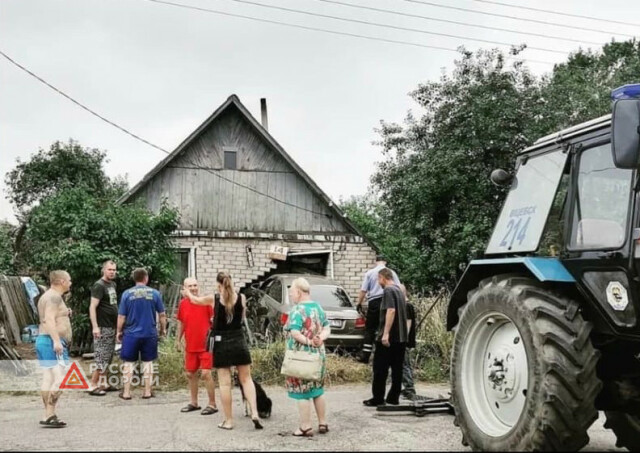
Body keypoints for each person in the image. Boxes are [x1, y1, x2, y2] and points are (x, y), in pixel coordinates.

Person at [184, 272, 263, 430]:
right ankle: (254, 412)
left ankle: (228, 420)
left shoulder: (214, 299)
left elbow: (195, 300)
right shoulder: (241, 298)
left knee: (225, 384)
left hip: (222, 343)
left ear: (218, 285)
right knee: (246, 379)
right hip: (239, 340)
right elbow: (241, 319)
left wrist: (187, 292)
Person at [283, 277, 331, 438]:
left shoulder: (297, 310)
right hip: (318, 356)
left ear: (298, 292)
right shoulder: (318, 307)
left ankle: (305, 426)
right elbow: (327, 327)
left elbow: (295, 333)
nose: (291, 296)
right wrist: (320, 339)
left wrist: (309, 341)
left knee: (301, 391)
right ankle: (322, 422)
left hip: (300, 357)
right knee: (317, 390)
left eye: (291, 292)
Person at [116, 268, 167, 400]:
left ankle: (126, 393)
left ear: (134, 279)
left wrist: (119, 331)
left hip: (131, 334)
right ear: (146, 278)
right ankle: (147, 391)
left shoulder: (127, 294)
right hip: (149, 333)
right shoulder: (155, 294)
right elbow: (162, 315)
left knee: (128, 363)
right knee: (148, 362)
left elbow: (121, 316)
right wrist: (163, 330)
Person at [363, 267, 408, 407]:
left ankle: (378, 398)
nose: (378, 282)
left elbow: (391, 310)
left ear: (383, 277)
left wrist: (385, 333)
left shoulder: (388, 290)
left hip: (390, 338)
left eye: (378, 279)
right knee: (397, 368)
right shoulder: (400, 291)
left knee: (380, 368)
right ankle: (393, 397)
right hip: (401, 337)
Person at [35, 270, 73, 428]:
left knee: (48, 378)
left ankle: (47, 414)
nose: (70, 283)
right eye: (69, 280)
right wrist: (57, 341)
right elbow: (48, 320)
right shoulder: (54, 297)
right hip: (52, 342)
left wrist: (65, 313)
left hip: (44, 340)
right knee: (61, 379)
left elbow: (52, 316)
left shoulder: (48, 296)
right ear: (62, 281)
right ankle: (50, 413)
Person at [176, 277, 218, 415]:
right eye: (190, 286)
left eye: (195, 285)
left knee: (206, 373)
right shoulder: (182, 304)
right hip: (191, 344)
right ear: (184, 288)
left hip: (205, 344)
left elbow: (214, 322)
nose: (193, 288)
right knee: (190, 373)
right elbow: (181, 322)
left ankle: (212, 404)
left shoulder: (205, 302)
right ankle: (194, 402)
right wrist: (178, 339)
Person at [356, 254, 400, 364]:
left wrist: (359, 303)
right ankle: (384, 354)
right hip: (388, 301)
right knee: (385, 326)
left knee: (370, 328)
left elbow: (363, 290)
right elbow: (398, 288)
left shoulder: (370, 273)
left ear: (376, 261)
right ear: (385, 261)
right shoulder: (392, 273)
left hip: (374, 302)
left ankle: (365, 355)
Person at [88, 260, 119, 396]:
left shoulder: (112, 284)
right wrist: (95, 327)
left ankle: (103, 383)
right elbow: (92, 306)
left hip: (111, 325)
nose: (112, 272)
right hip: (102, 326)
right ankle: (93, 385)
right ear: (103, 270)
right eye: (109, 269)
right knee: (101, 356)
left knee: (108, 355)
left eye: (114, 270)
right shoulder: (99, 285)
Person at [400, 284, 417, 400]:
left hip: (404, 341)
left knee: (404, 365)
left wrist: (403, 339)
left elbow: (407, 323)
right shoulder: (405, 306)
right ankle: (407, 388)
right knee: (403, 364)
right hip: (403, 340)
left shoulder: (406, 306)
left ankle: (409, 389)